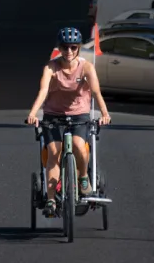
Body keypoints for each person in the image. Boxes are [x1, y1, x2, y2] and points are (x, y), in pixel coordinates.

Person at [26, 26, 111, 217]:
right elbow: (43, 92)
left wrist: (105, 113)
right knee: (54, 153)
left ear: (79, 48)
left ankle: (82, 177)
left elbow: (96, 93)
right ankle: (50, 199)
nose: (69, 52)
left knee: (80, 146)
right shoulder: (51, 67)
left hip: (79, 115)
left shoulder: (87, 67)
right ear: (60, 48)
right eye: (65, 47)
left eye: (73, 47)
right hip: (53, 115)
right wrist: (32, 113)